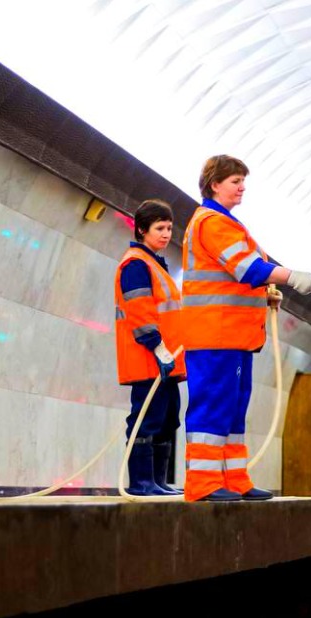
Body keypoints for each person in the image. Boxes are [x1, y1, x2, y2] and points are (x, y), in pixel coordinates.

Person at [181, 155, 311, 502]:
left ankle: (233, 479)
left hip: (234, 337)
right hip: (215, 334)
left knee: (233, 408)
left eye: (243, 181)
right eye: (235, 181)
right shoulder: (213, 223)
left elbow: (250, 273)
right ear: (214, 184)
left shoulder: (229, 224)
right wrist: (291, 277)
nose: (242, 187)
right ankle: (202, 484)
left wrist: (269, 291)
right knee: (213, 405)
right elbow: (247, 269)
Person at [113, 199, 187, 496]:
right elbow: (140, 312)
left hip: (166, 361)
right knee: (146, 418)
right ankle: (142, 482)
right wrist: (158, 348)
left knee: (168, 418)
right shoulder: (136, 264)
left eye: (169, 228)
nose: (166, 234)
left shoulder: (157, 264)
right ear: (142, 229)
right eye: (159, 228)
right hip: (148, 360)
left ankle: (158, 480)